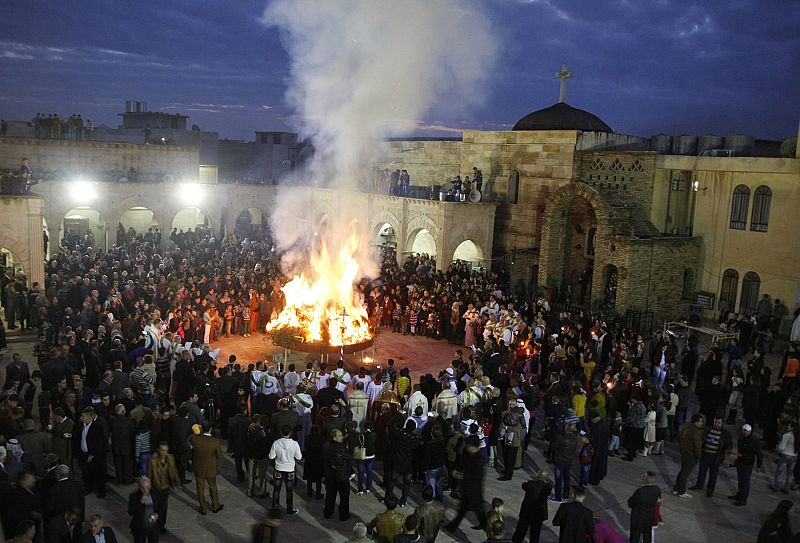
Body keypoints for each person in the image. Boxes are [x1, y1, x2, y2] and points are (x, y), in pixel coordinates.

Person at [444, 435, 487, 533]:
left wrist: (461, 476)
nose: (466, 446)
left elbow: (477, 477)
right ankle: (453, 527)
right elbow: (462, 464)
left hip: (474, 491)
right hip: (467, 490)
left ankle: (488, 530)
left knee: (477, 511)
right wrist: (456, 470)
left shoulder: (479, 459)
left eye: (468, 445)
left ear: (473, 446)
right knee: (464, 510)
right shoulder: (468, 454)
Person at [690, 416, 732, 497]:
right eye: (715, 422)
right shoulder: (708, 429)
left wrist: (727, 450)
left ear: (722, 423)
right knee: (701, 472)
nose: (716, 424)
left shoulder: (725, 434)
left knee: (713, 475)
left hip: (715, 457)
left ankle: (710, 490)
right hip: (705, 454)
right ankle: (699, 485)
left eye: (718, 423)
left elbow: (728, 446)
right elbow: (701, 439)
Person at [146, 442, 181, 533]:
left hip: (165, 487)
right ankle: (154, 525)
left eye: (166, 450)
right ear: (158, 450)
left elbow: (173, 470)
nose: (164, 452)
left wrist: (177, 481)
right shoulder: (152, 460)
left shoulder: (170, 458)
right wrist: (147, 488)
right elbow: (149, 475)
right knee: (155, 507)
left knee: (163, 508)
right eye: (162, 450)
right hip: (155, 487)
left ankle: (161, 526)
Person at [269, 424, 302, 514]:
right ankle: (289, 509)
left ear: (281, 432)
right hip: (290, 469)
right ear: (290, 433)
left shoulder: (276, 443)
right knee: (289, 490)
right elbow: (299, 457)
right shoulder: (295, 444)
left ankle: (275, 508)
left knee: (276, 489)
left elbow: (271, 456)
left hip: (278, 468)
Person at [73, 407, 106, 498]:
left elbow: (100, 442)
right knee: (86, 474)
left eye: (83, 416)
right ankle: (88, 488)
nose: (81, 418)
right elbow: (77, 438)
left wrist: (93, 454)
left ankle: (101, 491)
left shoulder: (97, 426)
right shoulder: (80, 425)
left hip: (94, 456)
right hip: (83, 454)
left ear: (89, 417)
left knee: (98, 474)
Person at [192, 421, 224, 515]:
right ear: (210, 429)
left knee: (200, 488)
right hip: (211, 468)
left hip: (199, 468)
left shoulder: (195, 440)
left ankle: (203, 508)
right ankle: (215, 506)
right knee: (213, 486)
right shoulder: (215, 442)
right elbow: (219, 456)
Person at [512, 470, 551, 543]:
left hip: (527, 511)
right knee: (535, 533)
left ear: (538, 475)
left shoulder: (530, 484)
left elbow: (523, 485)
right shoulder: (547, 487)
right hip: (538, 513)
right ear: (546, 478)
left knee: (521, 530)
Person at [729, 423, 763, 506]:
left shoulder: (754, 442)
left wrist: (758, 465)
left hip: (748, 464)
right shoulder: (741, 440)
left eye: (747, 431)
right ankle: (739, 495)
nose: (745, 432)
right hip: (741, 462)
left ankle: (743, 499)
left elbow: (759, 454)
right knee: (740, 480)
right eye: (744, 431)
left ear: (750, 431)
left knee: (745, 482)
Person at [322, 428, 351, 521]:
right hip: (341, 477)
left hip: (330, 476)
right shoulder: (341, 448)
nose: (342, 437)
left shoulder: (325, 446)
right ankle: (343, 515)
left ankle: (328, 512)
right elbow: (350, 457)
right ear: (334, 437)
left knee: (330, 496)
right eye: (340, 436)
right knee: (344, 498)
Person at [672, 414, 703, 498]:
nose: (702, 423)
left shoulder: (683, 426)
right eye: (700, 421)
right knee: (685, 473)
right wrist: (699, 456)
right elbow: (697, 446)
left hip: (684, 453)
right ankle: (681, 491)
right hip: (692, 456)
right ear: (696, 422)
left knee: (682, 471)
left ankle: (676, 488)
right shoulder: (696, 432)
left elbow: (678, 438)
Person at [627, 471, 661, 543]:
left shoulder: (640, 491)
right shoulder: (657, 489)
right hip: (649, 516)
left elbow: (631, 503)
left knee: (635, 536)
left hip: (638, 517)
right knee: (647, 535)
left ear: (645, 479)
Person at [128, 477, 163, 543]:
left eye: (147, 488)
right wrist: (141, 502)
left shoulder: (156, 493)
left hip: (153, 526)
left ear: (150, 486)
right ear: (139, 487)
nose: (145, 490)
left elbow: (161, 507)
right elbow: (131, 512)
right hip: (140, 526)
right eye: (143, 488)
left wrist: (157, 514)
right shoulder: (134, 496)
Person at [771, 422, 797, 493]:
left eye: (789, 425)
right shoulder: (797, 436)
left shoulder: (787, 435)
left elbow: (781, 447)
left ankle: (775, 486)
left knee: (779, 471)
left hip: (785, 455)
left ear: (792, 427)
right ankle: (786, 488)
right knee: (790, 473)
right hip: (794, 456)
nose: (788, 426)